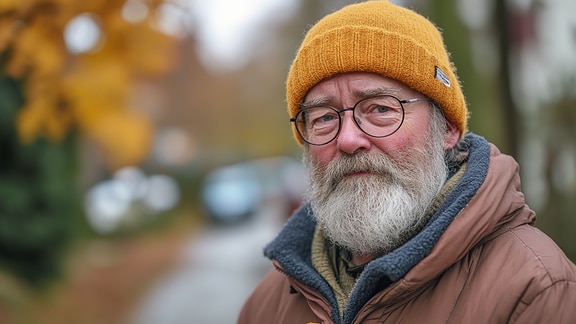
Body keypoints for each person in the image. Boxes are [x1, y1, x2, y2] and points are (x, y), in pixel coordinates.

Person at [237, 1, 576, 323]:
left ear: (448, 129)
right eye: (324, 118)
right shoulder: (268, 303)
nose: (348, 140)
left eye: (380, 109)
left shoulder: (534, 291)